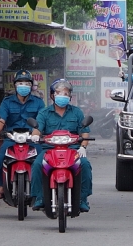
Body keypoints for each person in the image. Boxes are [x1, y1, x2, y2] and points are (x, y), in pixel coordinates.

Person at [30, 79, 93, 212]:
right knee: (36, 164)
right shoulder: (44, 113)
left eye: (66, 93)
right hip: (49, 150)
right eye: (59, 93)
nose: (62, 96)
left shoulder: (77, 112)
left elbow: (85, 132)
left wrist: (83, 146)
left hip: (73, 150)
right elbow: (37, 128)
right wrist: (35, 135)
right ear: (52, 95)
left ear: (70, 96)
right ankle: (39, 197)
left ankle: (82, 199)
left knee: (85, 164)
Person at [0, 70, 45, 200]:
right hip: (12, 137)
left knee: (41, 158)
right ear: (15, 85)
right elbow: (1, 120)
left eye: (26, 83)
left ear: (31, 85)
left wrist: (37, 133)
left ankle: (40, 187)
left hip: (31, 137)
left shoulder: (38, 102)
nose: (23, 86)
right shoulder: (7, 101)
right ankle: (2, 186)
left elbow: (42, 120)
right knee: (1, 157)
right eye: (20, 83)